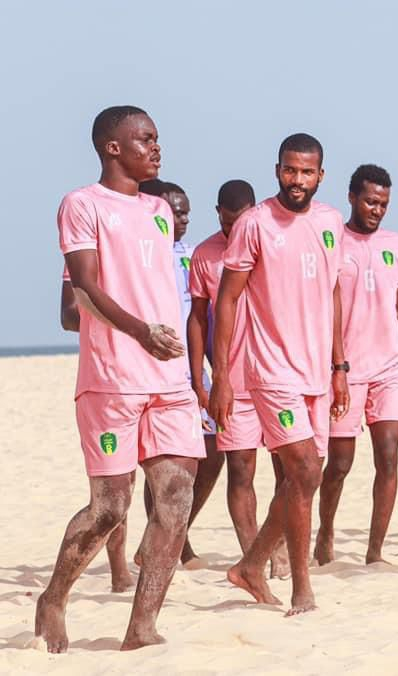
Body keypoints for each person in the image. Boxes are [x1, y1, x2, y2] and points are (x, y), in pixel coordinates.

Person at [37, 105, 206, 652]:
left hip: (169, 378)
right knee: (111, 507)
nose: (157, 147)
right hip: (112, 378)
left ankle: (141, 627)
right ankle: (54, 597)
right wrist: (140, 331)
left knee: (176, 500)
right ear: (114, 147)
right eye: (146, 139)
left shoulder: (159, 209)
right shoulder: (81, 204)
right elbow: (82, 289)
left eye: (157, 139)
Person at [209, 133, 348, 616]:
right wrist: (223, 376)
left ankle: (249, 566)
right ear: (277, 171)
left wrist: (339, 367)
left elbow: (333, 293)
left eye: (307, 172)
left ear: (320, 176)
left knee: (304, 480)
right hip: (271, 371)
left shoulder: (331, 222)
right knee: (306, 469)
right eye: (290, 170)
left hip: (317, 373)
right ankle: (301, 587)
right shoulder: (254, 223)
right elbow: (226, 299)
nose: (298, 180)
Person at [187, 179, 290, 577]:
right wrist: (201, 379)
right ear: (219, 215)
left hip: (280, 372)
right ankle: (254, 556)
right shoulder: (204, 255)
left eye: (242, 221)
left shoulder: (272, 239)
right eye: (229, 224)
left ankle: (279, 542)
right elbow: (197, 319)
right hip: (232, 380)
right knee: (241, 470)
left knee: (290, 469)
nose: (236, 230)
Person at [315, 164, 398, 565]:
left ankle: (375, 551)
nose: (377, 210)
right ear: (352, 197)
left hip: (389, 368)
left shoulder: (397, 243)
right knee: (339, 463)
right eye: (371, 201)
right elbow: (328, 307)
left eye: (384, 204)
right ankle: (325, 532)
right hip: (347, 369)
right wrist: (337, 364)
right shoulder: (334, 242)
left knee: (388, 456)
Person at [137, 179, 223, 569]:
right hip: (150, 372)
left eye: (187, 211)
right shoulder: (139, 256)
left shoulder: (190, 255)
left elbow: (202, 316)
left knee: (215, 450)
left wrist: (211, 370)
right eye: (177, 211)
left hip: (193, 372)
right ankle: (164, 543)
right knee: (160, 466)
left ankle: (177, 531)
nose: (184, 218)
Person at [59, 271, 136, 593]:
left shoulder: (164, 247)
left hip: (164, 377)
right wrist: (126, 323)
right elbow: (68, 316)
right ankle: (119, 571)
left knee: (172, 481)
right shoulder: (84, 252)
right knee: (117, 488)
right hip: (109, 378)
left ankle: (164, 560)